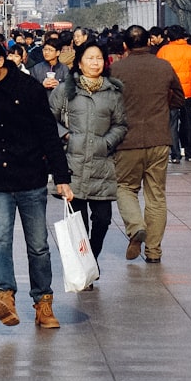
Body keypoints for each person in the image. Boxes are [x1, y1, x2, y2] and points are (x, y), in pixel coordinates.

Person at [0, 34, 71, 329]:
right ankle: (5, 295)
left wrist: (62, 177)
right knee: (0, 241)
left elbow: (49, 134)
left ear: (0, 60)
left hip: (30, 177)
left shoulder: (29, 88)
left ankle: (43, 303)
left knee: (38, 245)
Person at [48, 42, 126, 275]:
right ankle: (85, 266)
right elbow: (47, 120)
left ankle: (91, 256)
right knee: (79, 223)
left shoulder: (113, 92)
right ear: (79, 63)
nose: (95, 63)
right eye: (90, 58)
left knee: (103, 220)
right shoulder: (65, 90)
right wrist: (66, 136)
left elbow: (121, 125)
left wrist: (108, 142)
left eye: (99, 58)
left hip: (102, 164)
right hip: (73, 163)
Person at [111, 25, 184, 264]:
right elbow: (180, 97)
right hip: (158, 137)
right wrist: (161, 108)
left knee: (124, 187)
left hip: (127, 140)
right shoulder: (163, 66)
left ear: (125, 46)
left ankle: (136, 226)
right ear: (150, 42)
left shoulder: (116, 69)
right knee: (156, 196)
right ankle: (153, 251)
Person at [158, 26, 191, 161]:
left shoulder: (163, 51)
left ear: (169, 37)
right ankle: (190, 151)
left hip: (170, 93)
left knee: (172, 124)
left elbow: (159, 73)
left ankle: (175, 153)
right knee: (189, 122)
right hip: (187, 93)